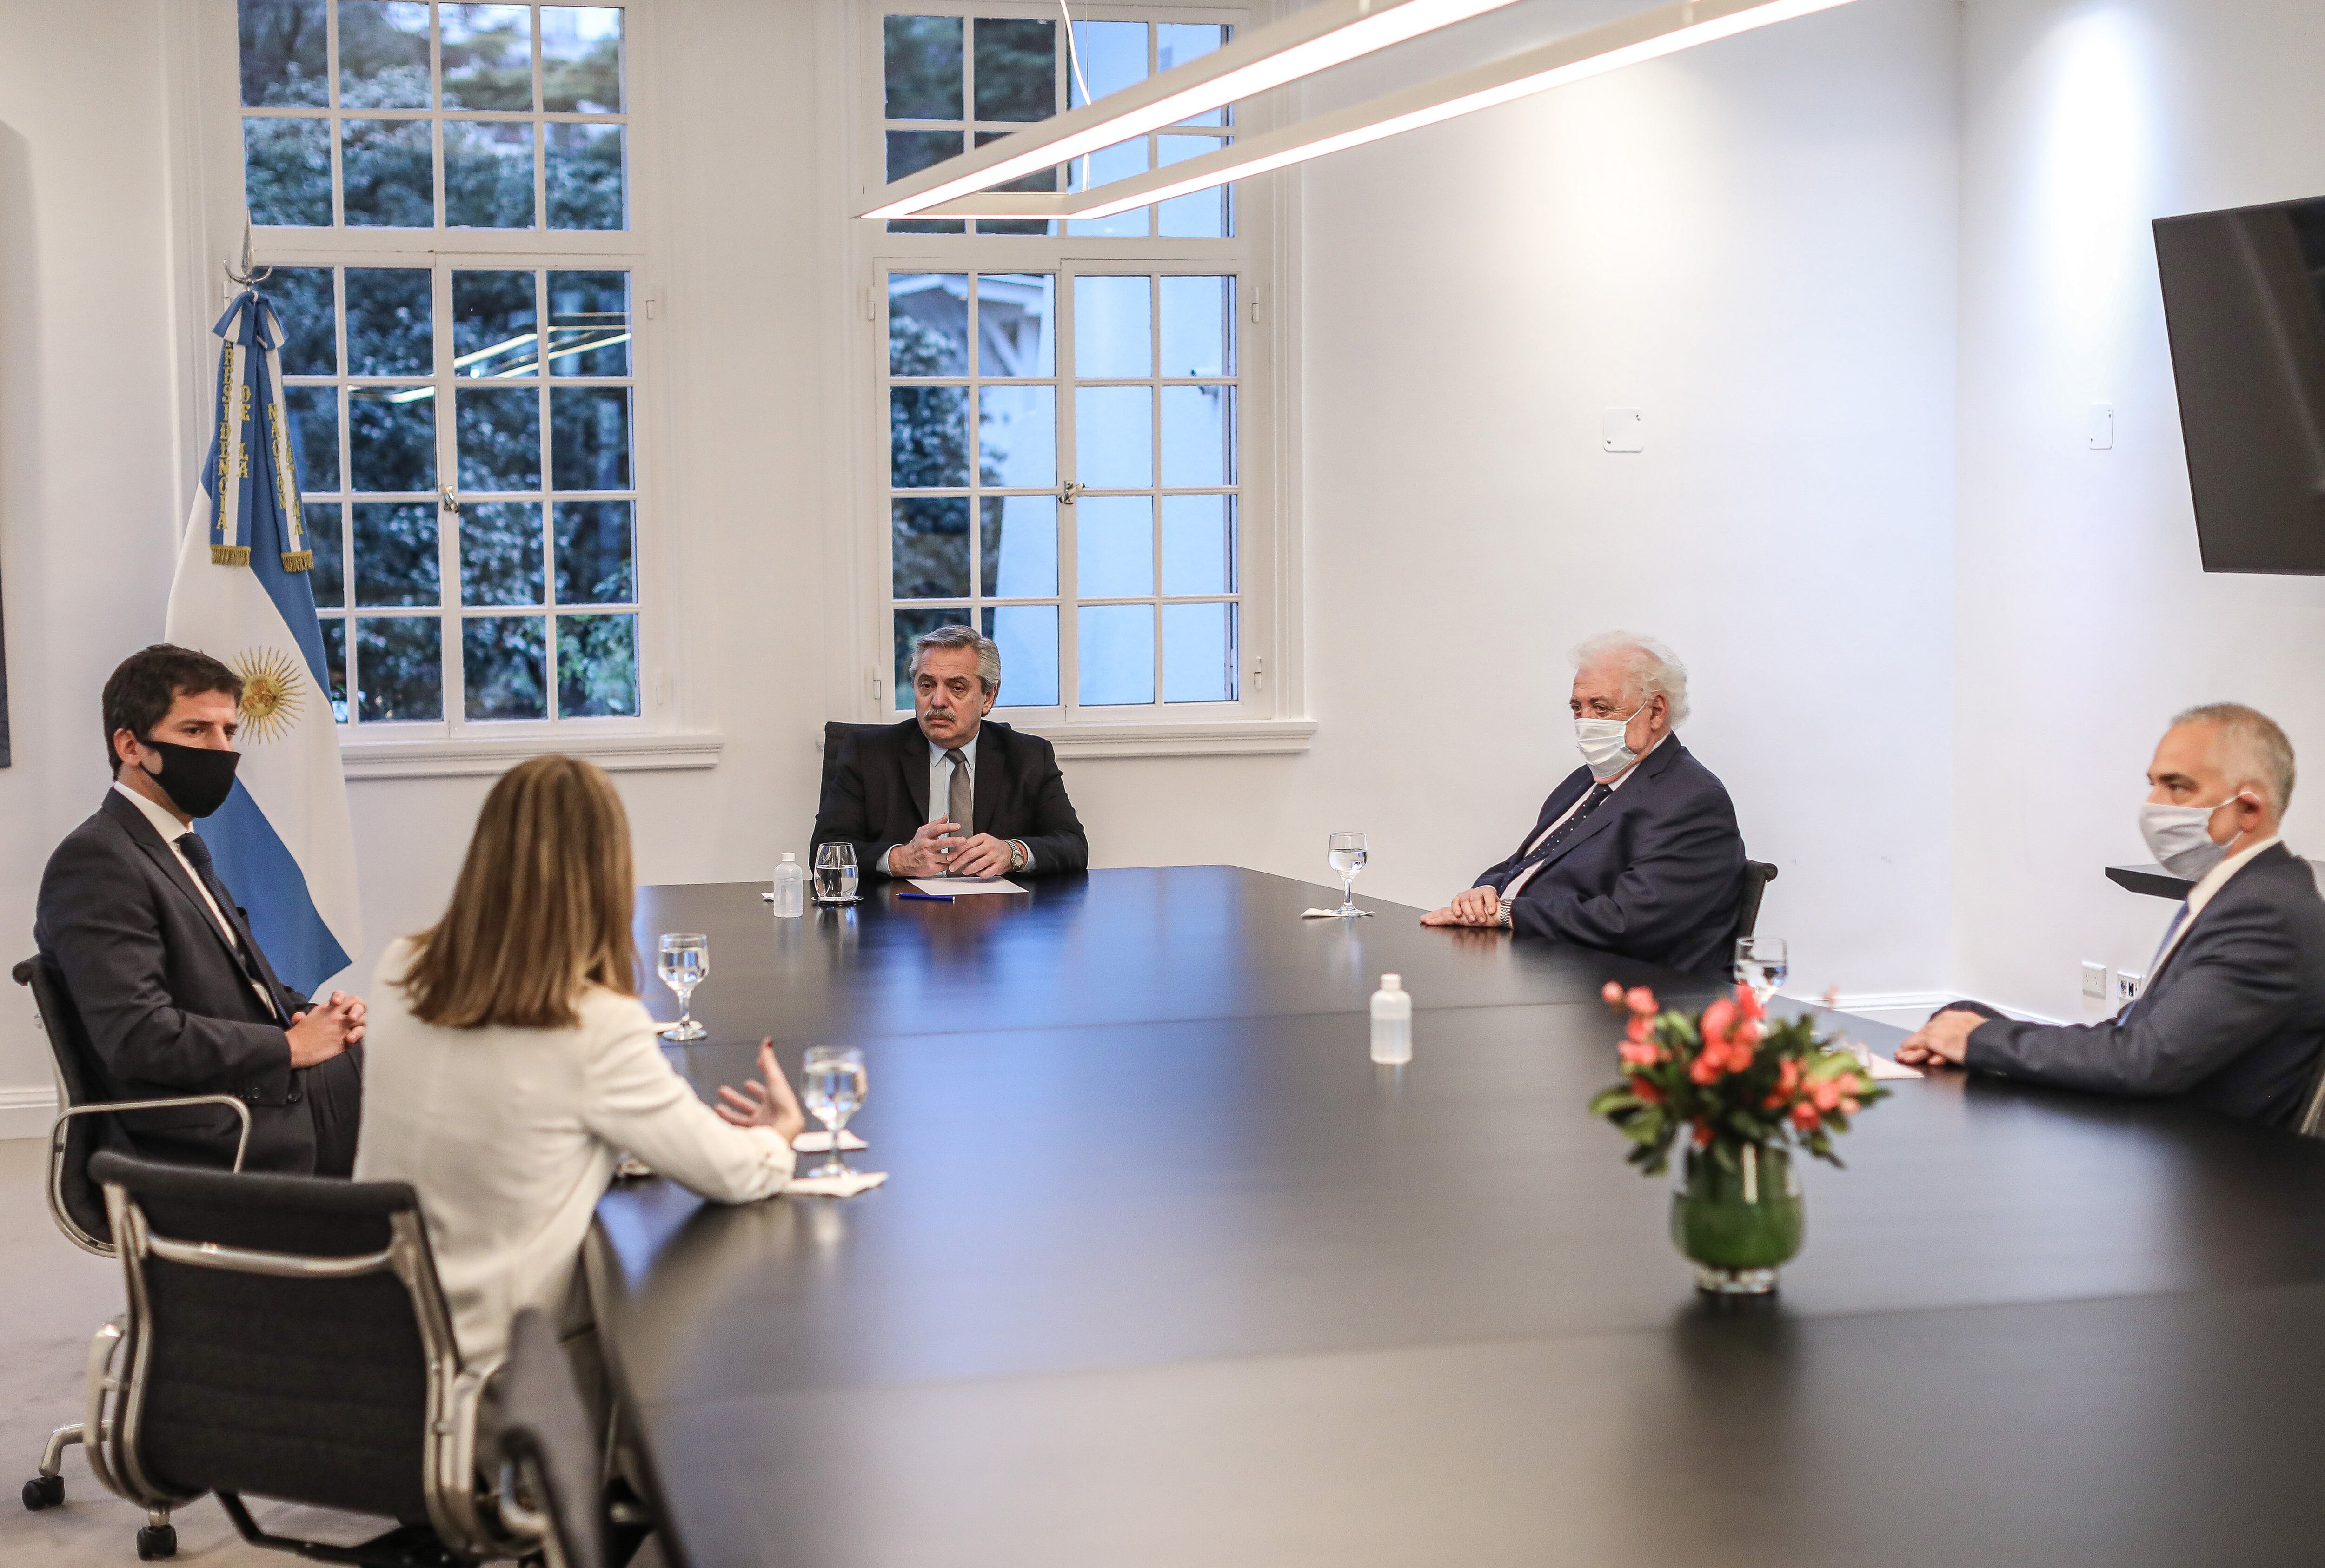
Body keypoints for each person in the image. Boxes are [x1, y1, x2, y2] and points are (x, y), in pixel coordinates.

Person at [354, 754, 806, 1376]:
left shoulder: (399, 968)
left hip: (368, 1348)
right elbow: (731, 1174)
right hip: (500, 1381)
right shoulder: (594, 1024)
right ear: (607, 875)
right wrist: (777, 1135)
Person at [1899, 704, 2325, 1127]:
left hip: (2213, 1179)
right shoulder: (2245, 892)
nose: (2153, 805)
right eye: (2153, 784)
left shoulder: (2267, 911)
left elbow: (2146, 1059)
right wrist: (1974, 1022)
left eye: (2177, 787)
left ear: (2249, 809)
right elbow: (2129, 1035)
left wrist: (1979, 1039)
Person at [36, 645, 366, 1175]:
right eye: (195, 731)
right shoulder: (98, 860)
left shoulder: (177, 845)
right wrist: (288, 1048)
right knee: (439, 1085)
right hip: (213, 1131)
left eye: (229, 733)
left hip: (257, 1097)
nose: (221, 749)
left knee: (425, 1059)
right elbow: (138, 1037)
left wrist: (320, 1017)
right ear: (131, 745)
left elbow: (240, 987)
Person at [1422, 632, 1747, 978]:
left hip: (1636, 998)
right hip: (1547, 968)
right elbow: (1532, 862)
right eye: (1578, 708)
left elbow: (1627, 921)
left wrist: (1507, 913)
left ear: (1655, 711)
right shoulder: (1585, 780)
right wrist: (1487, 891)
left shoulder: (1691, 799)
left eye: (1601, 707)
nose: (1585, 721)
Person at [812, 624, 1089, 879]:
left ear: (988, 698)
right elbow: (824, 852)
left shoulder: (1028, 756)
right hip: (900, 919)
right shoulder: (868, 754)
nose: (938, 701)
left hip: (998, 921)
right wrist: (899, 859)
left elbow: (1073, 845)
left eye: (957, 688)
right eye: (927, 685)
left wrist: (1013, 853)